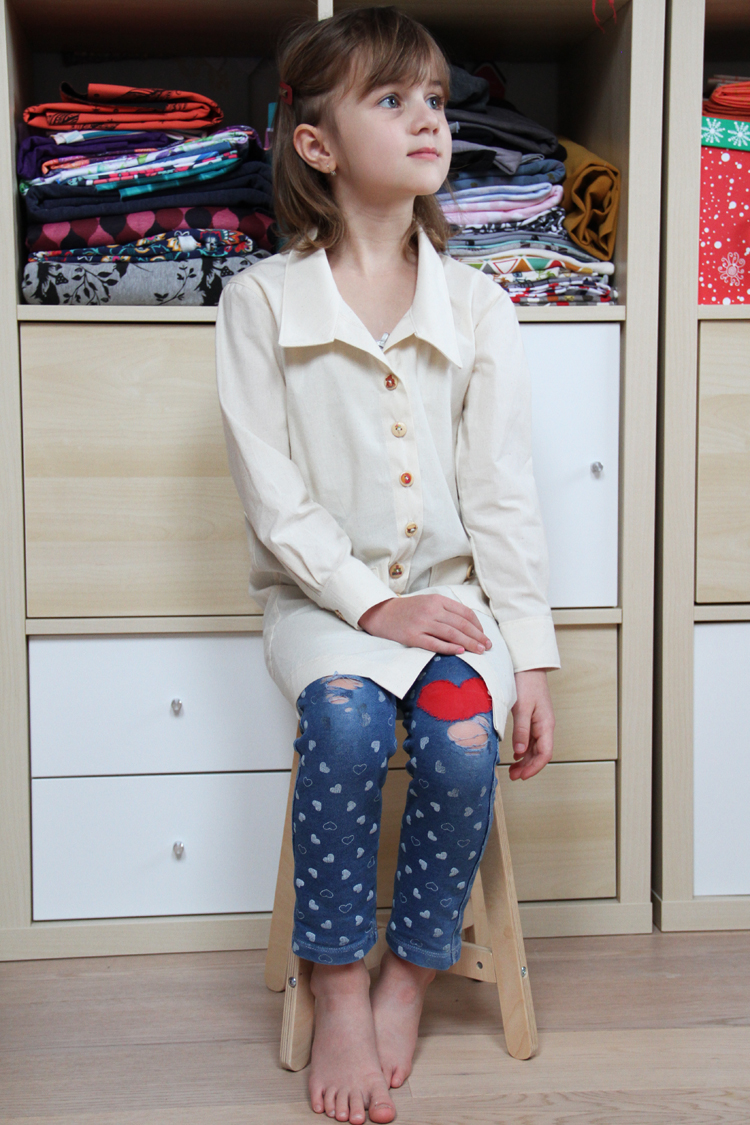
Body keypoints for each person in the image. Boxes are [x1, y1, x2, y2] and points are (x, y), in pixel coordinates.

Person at [215, 7, 560, 1122]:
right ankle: (335, 981)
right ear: (317, 143)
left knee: (460, 740)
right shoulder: (260, 302)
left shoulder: (480, 303)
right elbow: (274, 499)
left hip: (453, 603)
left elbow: (502, 492)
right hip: (323, 607)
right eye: (392, 98)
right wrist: (372, 606)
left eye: (436, 99)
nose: (429, 119)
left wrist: (531, 658)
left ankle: (409, 971)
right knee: (350, 725)